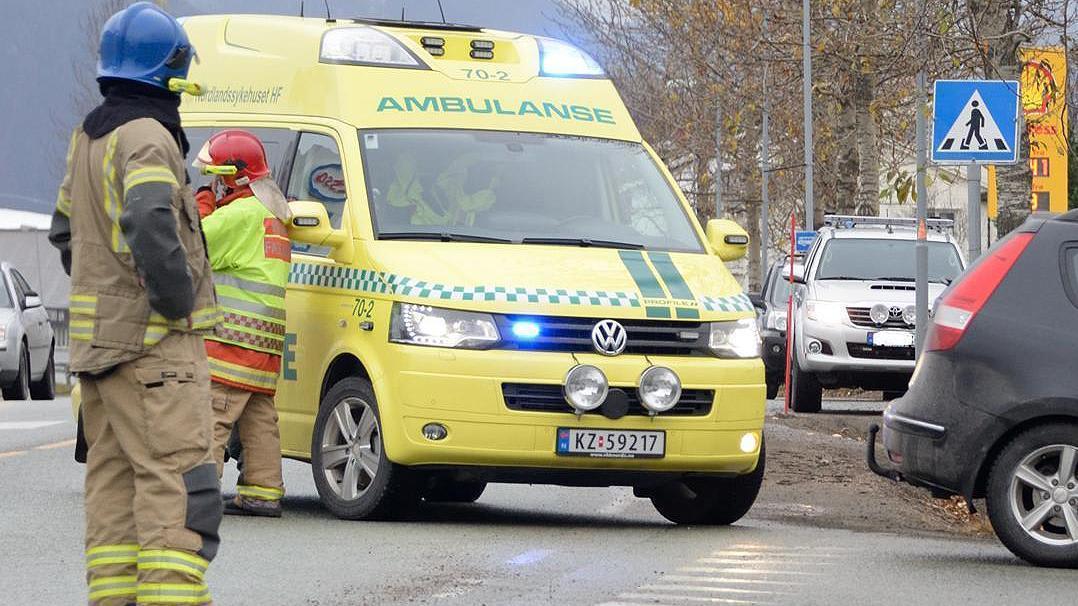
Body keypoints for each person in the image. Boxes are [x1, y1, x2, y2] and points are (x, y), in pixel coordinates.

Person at [47, 3, 221, 605]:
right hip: (157, 349)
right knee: (181, 482)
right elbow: (149, 217)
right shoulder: (148, 135)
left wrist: (108, 294)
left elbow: (65, 232)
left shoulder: (88, 136)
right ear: (170, 72)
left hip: (101, 352)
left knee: (115, 487)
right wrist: (173, 300)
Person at [193, 129, 292, 518]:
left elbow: (193, 245)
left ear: (234, 176)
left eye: (216, 177)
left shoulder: (238, 215)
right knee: (258, 418)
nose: (214, 184)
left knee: (212, 414)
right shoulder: (272, 212)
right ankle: (262, 492)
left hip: (232, 339)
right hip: (265, 344)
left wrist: (201, 205)